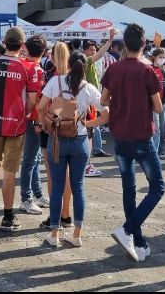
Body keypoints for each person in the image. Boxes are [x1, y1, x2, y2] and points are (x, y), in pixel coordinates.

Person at [101, 23, 164, 263]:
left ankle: (137, 240)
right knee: (157, 187)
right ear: (145, 44)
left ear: (124, 44)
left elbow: (104, 99)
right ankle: (128, 230)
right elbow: (158, 107)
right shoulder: (147, 71)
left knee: (129, 187)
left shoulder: (114, 69)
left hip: (120, 136)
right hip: (141, 136)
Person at [37, 52, 109, 248]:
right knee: (78, 186)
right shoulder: (90, 88)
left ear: (67, 64)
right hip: (80, 140)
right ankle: (77, 234)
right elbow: (106, 114)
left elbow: (41, 107)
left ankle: (55, 234)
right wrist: (89, 123)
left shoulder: (56, 82)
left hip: (57, 140)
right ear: (85, 67)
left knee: (57, 188)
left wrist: (46, 125)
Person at [0, 27, 39, 232]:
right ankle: (8, 216)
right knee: (10, 172)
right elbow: (31, 101)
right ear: (22, 45)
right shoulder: (26, 67)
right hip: (16, 125)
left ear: (4, 41)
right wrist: (23, 114)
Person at [39, 41, 74, 230]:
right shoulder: (76, 77)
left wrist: (41, 122)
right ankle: (66, 214)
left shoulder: (50, 77)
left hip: (52, 128)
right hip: (72, 129)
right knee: (68, 175)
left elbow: (41, 105)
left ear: (52, 56)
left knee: (53, 175)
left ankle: (55, 216)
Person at [19, 34, 50, 216]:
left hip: (23, 116)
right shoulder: (36, 70)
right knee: (30, 160)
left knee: (34, 158)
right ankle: (26, 198)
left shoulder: (22, 65)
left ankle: (36, 194)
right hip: (33, 118)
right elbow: (36, 99)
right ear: (44, 52)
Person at [82, 31, 116, 166]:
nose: (94, 52)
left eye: (94, 49)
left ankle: (96, 148)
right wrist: (110, 40)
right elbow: (101, 53)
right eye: (91, 50)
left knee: (94, 123)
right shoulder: (86, 61)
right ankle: (94, 152)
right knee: (93, 123)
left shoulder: (89, 63)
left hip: (93, 96)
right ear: (84, 51)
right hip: (89, 98)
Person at [151, 48, 165, 160]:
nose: (162, 59)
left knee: (161, 128)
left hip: (163, 102)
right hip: (152, 104)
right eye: (160, 57)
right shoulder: (149, 69)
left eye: (164, 57)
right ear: (154, 57)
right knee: (156, 129)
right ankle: (154, 153)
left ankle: (159, 150)